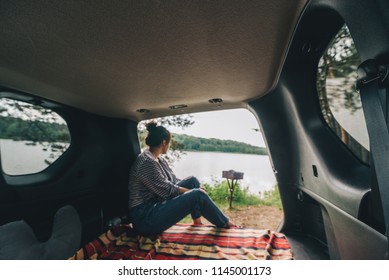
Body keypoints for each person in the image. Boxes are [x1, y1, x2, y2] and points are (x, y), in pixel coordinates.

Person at [128, 121, 239, 236]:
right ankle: (226, 223)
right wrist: (194, 193)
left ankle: (197, 222)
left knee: (192, 181)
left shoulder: (158, 159)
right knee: (197, 195)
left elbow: (174, 180)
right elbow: (167, 190)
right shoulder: (146, 162)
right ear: (164, 142)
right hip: (144, 218)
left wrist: (193, 189)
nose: (169, 146)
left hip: (153, 206)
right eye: (169, 143)